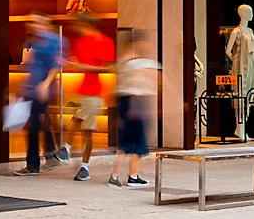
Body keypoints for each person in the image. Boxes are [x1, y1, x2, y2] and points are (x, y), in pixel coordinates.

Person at [66, 13, 116, 181]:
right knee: (80, 124)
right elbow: (78, 62)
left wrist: (81, 66)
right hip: (83, 90)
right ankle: (76, 159)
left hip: (95, 92)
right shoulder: (81, 42)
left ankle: (78, 160)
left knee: (85, 127)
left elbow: (107, 67)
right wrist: (74, 63)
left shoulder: (104, 42)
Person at [109, 29, 161, 189]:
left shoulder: (125, 61)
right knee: (137, 141)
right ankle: (131, 176)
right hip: (136, 103)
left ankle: (120, 175)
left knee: (128, 141)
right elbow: (150, 83)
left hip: (128, 102)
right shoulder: (141, 63)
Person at [15, 12, 64, 175]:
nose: (31, 25)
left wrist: (46, 84)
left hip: (40, 91)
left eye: (35, 22)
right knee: (36, 125)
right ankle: (48, 157)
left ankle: (35, 164)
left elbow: (55, 65)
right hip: (31, 89)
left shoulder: (52, 41)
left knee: (34, 126)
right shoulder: (34, 41)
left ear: (44, 23)